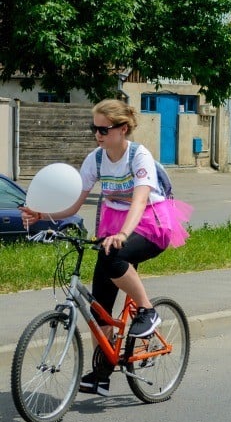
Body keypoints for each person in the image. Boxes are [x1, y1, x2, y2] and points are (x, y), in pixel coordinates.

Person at [20, 99, 192, 396]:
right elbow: (74, 203)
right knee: (100, 308)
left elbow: (139, 201)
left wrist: (124, 234)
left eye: (104, 129)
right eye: (94, 129)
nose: (98, 134)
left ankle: (148, 312)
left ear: (123, 129)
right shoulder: (96, 159)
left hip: (151, 221)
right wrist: (42, 215)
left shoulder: (139, 156)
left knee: (115, 254)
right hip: (115, 224)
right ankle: (102, 373)